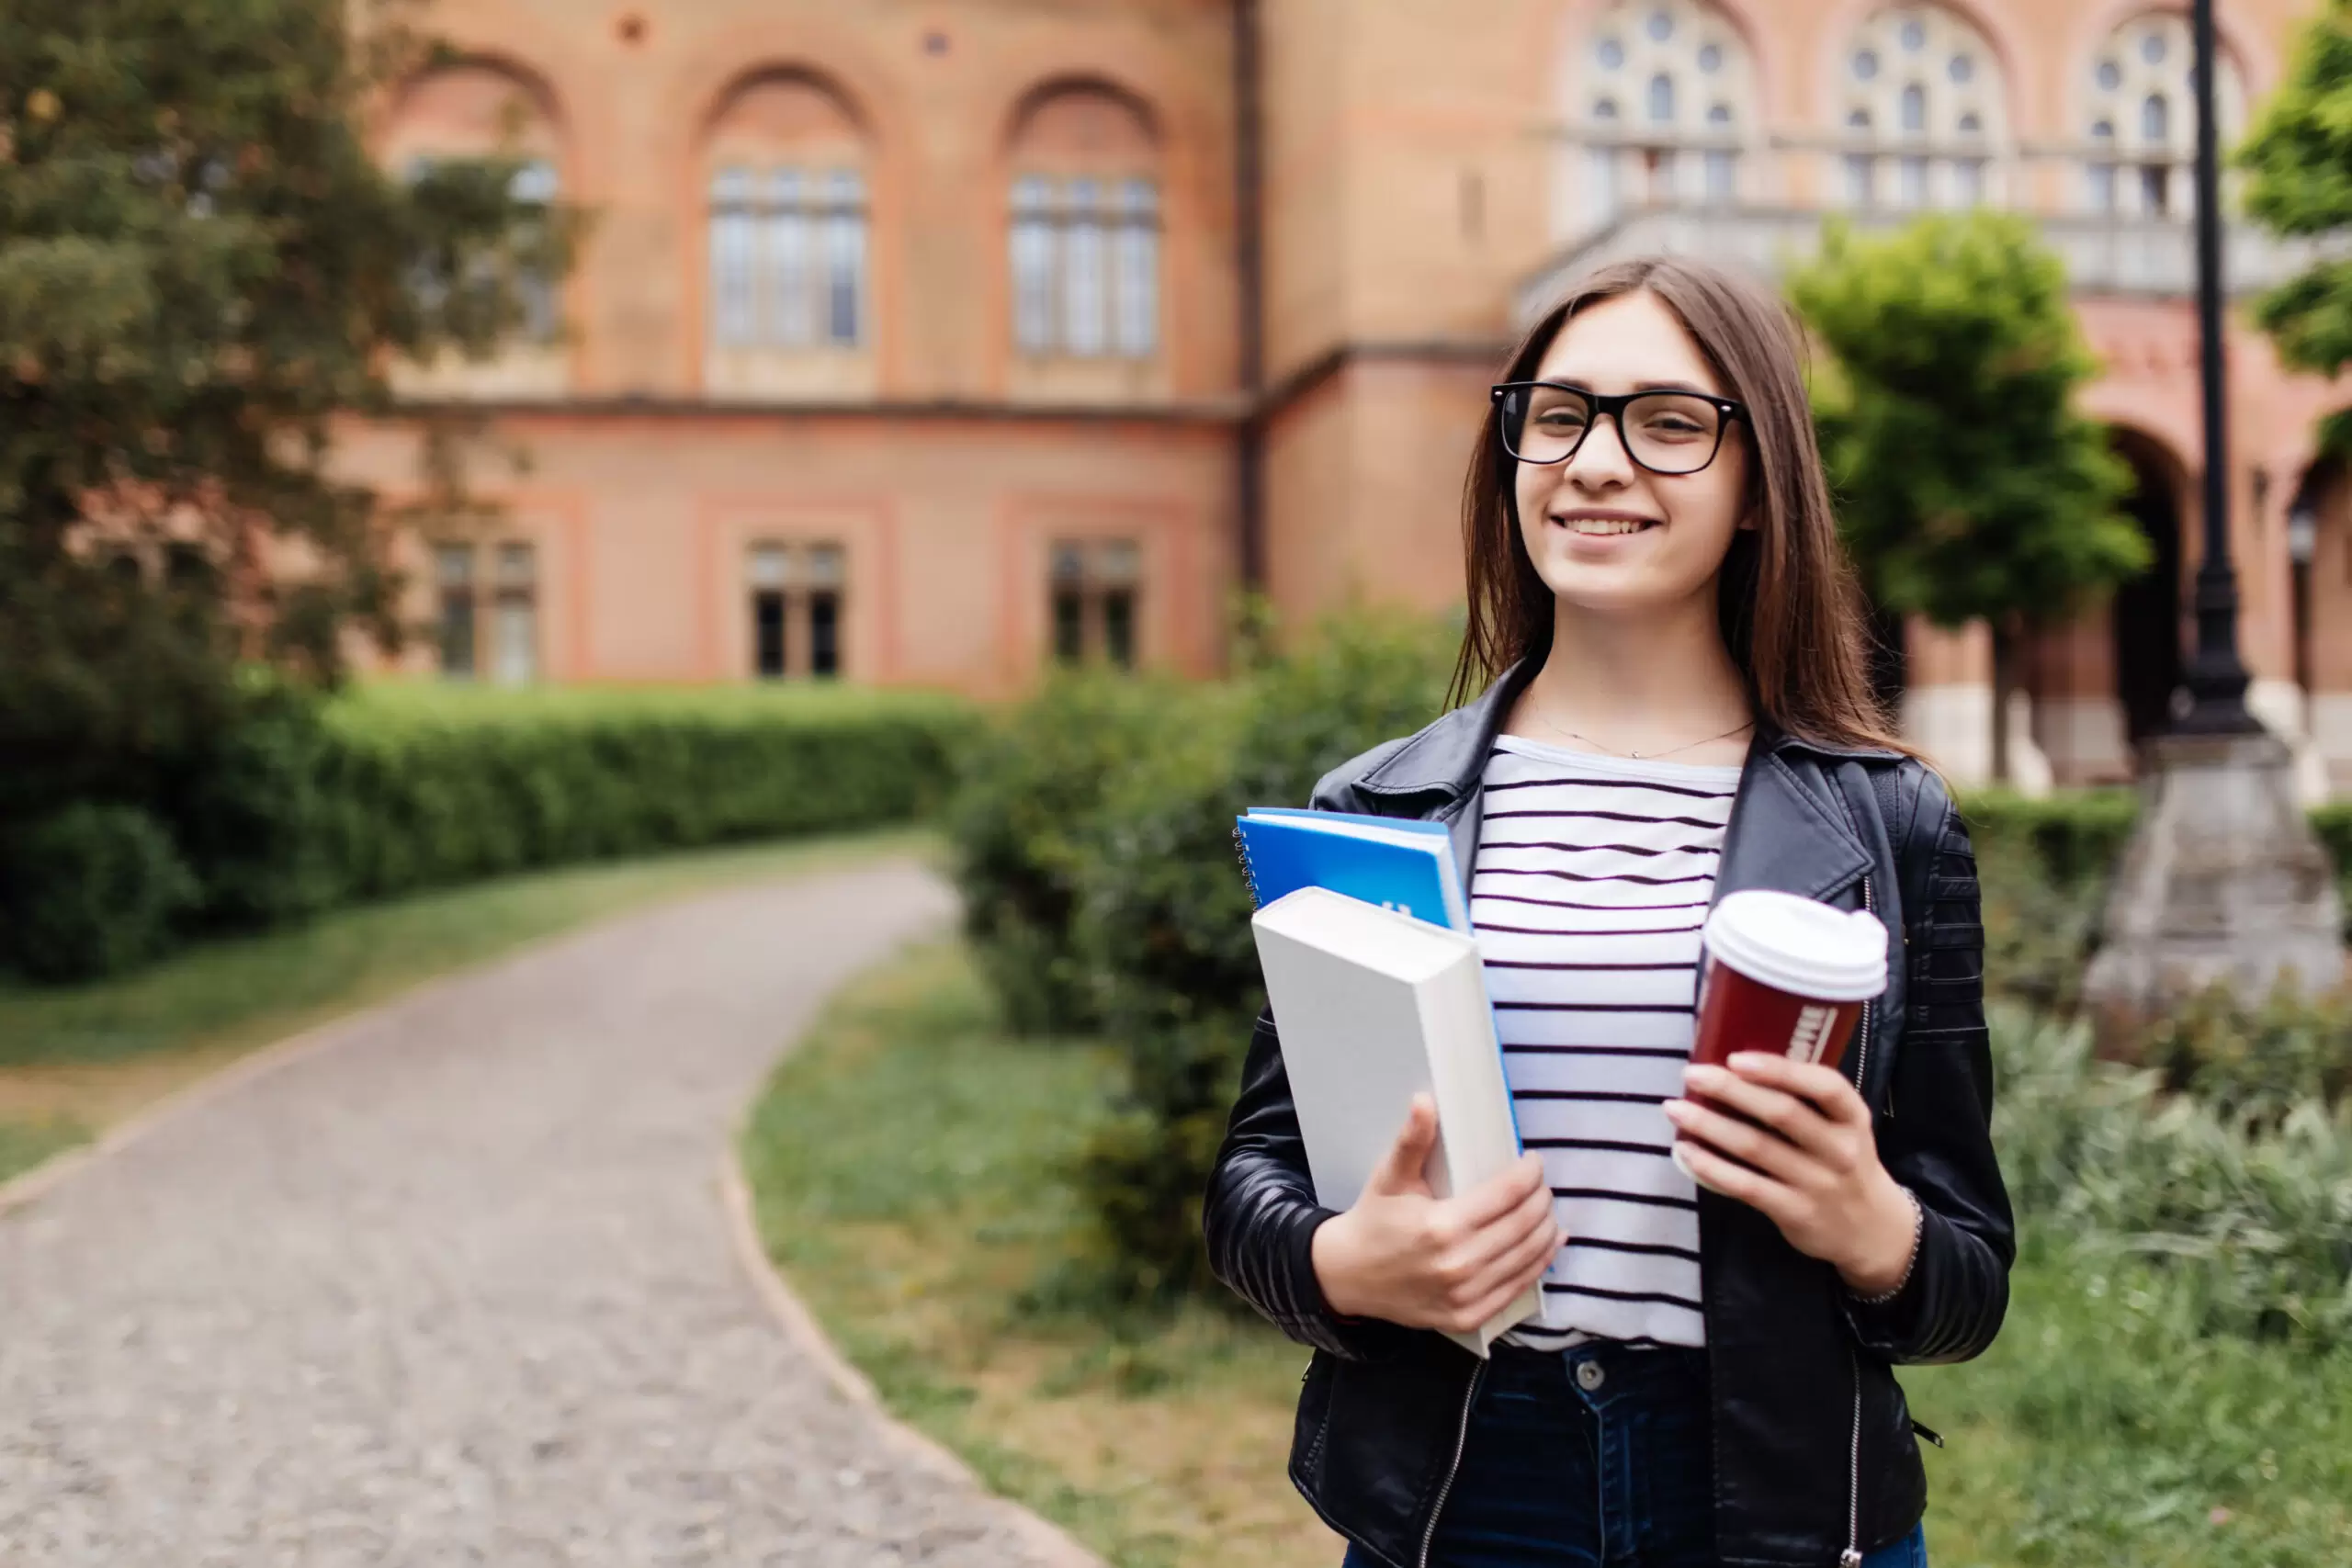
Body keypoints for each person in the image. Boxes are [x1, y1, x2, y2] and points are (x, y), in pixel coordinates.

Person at [1202, 254, 2012, 1568]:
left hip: (1770, 1498)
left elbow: (1969, 1272)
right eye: (1560, 412)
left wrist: (1874, 1225)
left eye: (1671, 422)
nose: (1593, 460)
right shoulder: (1380, 810)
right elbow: (1250, 1185)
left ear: (1760, 489)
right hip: (1468, 1491)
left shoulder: (1890, 824)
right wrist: (1346, 1265)